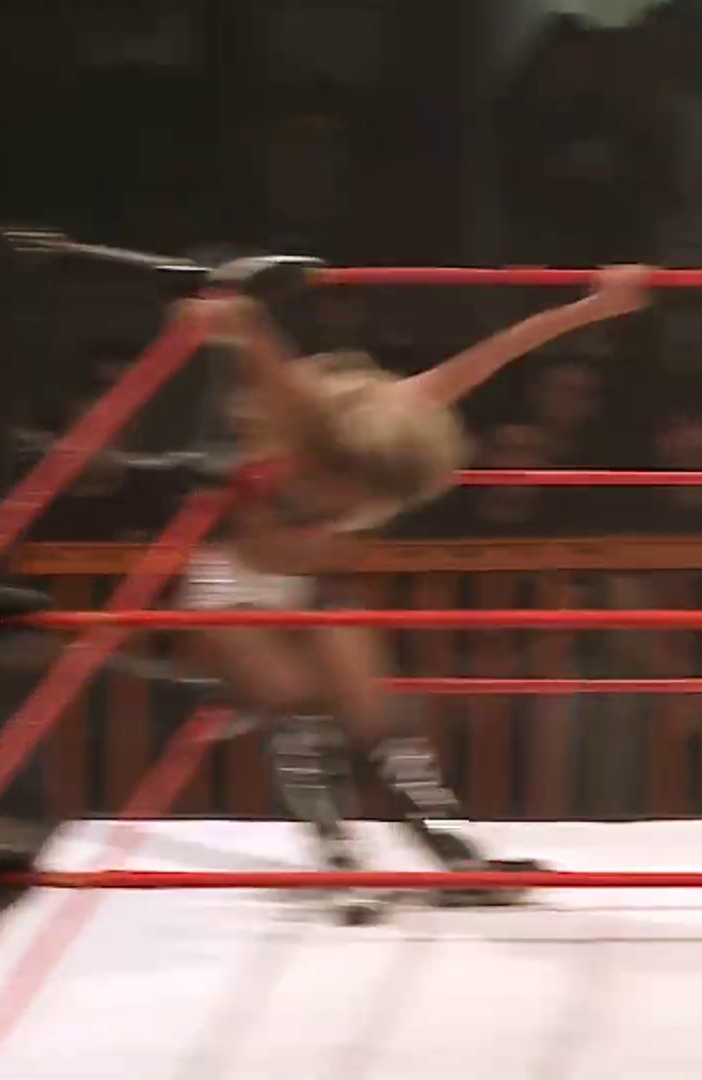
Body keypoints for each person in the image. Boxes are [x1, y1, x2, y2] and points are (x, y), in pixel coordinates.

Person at [172, 263, 651, 920]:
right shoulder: (294, 424)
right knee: (300, 709)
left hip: (311, 588)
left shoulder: (402, 421)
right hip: (233, 586)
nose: (349, 504)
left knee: (380, 718)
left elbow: (498, 351)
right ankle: (339, 859)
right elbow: (262, 349)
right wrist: (232, 316)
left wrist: (594, 309)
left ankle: (452, 854)